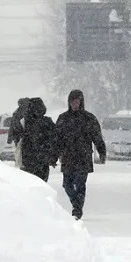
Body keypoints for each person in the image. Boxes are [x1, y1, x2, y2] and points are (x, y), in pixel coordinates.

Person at [54, 90, 107, 220]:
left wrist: (102, 151)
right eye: (72, 102)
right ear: (69, 102)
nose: (75, 104)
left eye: (77, 102)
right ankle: (76, 204)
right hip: (68, 157)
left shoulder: (89, 118)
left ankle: (77, 210)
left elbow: (97, 137)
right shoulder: (63, 118)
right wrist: (54, 155)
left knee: (80, 184)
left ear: (81, 102)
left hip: (83, 156)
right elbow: (57, 139)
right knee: (67, 184)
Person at [19, 98, 56, 182]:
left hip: (29, 159)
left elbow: (21, 139)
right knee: (42, 182)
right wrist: (52, 155)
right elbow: (54, 138)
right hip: (43, 158)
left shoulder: (25, 121)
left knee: (31, 183)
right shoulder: (47, 121)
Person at [7, 98, 30, 168]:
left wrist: (10, 138)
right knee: (22, 152)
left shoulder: (17, 113)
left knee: (20, 152)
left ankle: (22, 164)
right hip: (22, 136)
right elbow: (12, 125)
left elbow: (12, 126)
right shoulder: (27, 112)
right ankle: (23, 164)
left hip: (19, 136)